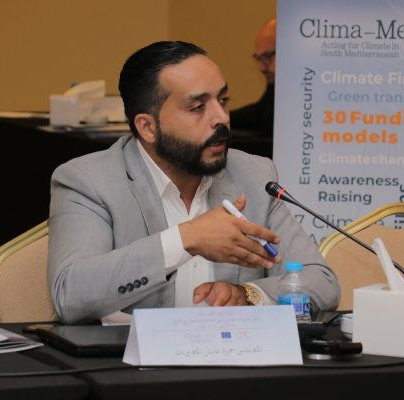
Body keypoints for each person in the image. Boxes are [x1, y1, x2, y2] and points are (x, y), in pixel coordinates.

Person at [47, 41, 339, 324]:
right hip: (131, 356)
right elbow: (70, 295)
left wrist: (248, 295)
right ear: (147, 127)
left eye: (222, 101)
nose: (221, 118)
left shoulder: (254, 174)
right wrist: (186, 239)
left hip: (234, 353)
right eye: (197, 107)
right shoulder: (89, 181)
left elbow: (320, 282)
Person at [230, 17, 276, 137]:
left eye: (268, 57)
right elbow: (257, 115)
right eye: (258, 59)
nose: (262, 68)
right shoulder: (276, 87)